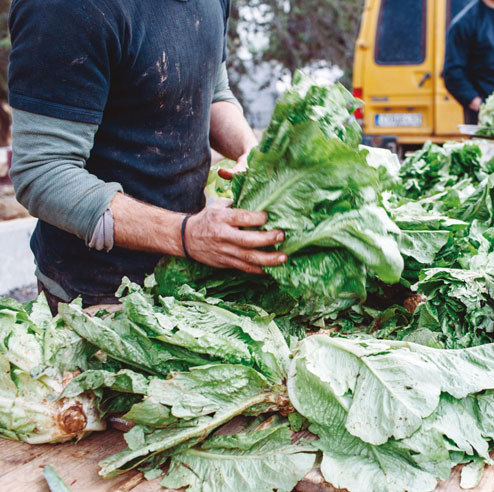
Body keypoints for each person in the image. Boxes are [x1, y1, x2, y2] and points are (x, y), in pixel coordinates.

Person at [8, 0, 286, 313]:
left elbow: (213, 91)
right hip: (97, 293)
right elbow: (43, 172)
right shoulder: (65, 9)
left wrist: (251, 152)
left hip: (190, 277)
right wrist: (186, 234)